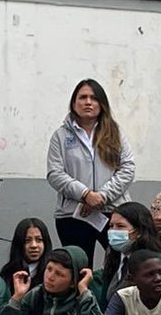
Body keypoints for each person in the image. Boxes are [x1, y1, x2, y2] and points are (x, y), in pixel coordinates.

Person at [45, 79, 136, 266]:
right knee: (78, 269)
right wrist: (85, 194)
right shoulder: (60, 136)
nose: (88, 102)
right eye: (83, 97)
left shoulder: (115, 132)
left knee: (119, 265)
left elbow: (127, 168)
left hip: (112, 213)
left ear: (101, 104)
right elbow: (55, 173)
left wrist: (102, 196)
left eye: (94, 98)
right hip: (73, 215)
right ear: (73, 103)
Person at [93, 202, 161, 308]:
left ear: (139, 231)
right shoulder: (115, 259)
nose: (113, 231)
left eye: (120, 226)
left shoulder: (158, 261)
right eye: (111, 226)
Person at [0, 218, 52, 290]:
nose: (34, 245)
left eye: (39, 240)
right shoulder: (7, 273)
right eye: (27, 240)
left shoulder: (51, 273)